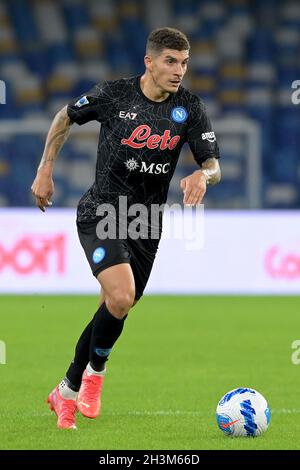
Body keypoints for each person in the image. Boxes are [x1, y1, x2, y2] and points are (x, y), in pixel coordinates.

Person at [31, 27, 221, 430]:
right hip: (101, 211)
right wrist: (45, 168)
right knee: (121, 296)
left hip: (146, 223)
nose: (179, 71)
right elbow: (66, 115)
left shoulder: (189, 107)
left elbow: (212, 162)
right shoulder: (115, 95)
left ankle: (65, 391)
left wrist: (204, 175)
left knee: (115, 307)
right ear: (149, 62)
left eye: (184, 63)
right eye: (170, 61)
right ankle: (95, 375)